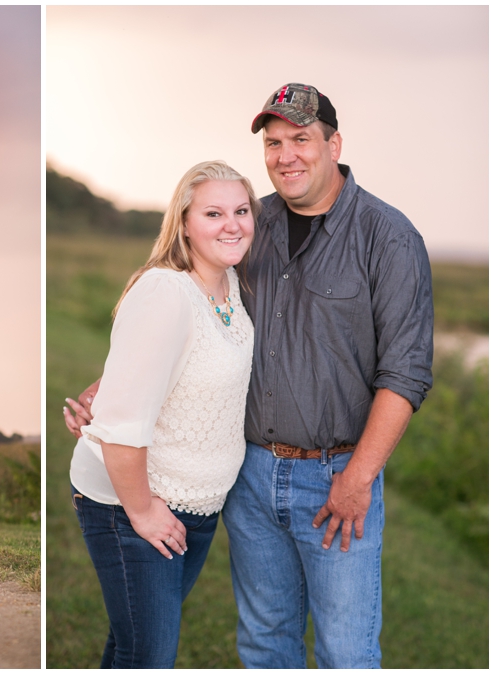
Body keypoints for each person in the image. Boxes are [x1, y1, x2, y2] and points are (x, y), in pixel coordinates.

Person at [65, 84, 434, 668]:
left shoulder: (387, 238)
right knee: (264, 642)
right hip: (252, 476)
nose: (286, 154)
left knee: (347, 651)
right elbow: (181, 317)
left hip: (337, 477)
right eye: (274, 141)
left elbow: (406, 373)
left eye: (301, 139)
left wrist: (359, 478)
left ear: (334, 144)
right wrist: (111, 390)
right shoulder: (249, 226)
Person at [66, 161, 260, 668]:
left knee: (131, 649)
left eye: (242, 210)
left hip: (196, 507)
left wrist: (104, 387)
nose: (232, 224)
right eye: (214, 213)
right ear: (184, 223)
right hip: (132, 503)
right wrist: (143, 509)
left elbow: (165, 369)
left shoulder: (230, 285)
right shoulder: (165, 291)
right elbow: (124, 425)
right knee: (149, 657)